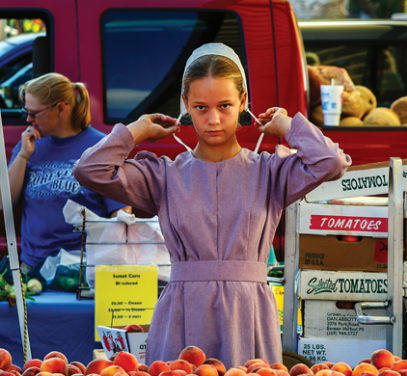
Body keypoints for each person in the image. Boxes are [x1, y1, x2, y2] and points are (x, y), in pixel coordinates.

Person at [73, 43, 351, 366]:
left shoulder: (270, 172)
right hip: (180, 315)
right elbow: (88, 170)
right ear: (185, 106)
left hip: (248, 315)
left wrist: (289, 126)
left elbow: (332, 162)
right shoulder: (163, 175)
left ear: (243, 102)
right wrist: (136, 131)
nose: (213, 119)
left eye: (225, 106)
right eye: (201, 107)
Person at [7, 72, 129, 276]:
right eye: (26, 112)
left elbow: (121, 214)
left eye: (34, 114)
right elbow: (5, 203)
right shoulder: (28, 145)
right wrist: (22, 157)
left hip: (80, 272)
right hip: (33, 268)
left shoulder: (100, 148)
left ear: (61, 108)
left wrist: (113, 267)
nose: (28, 120)